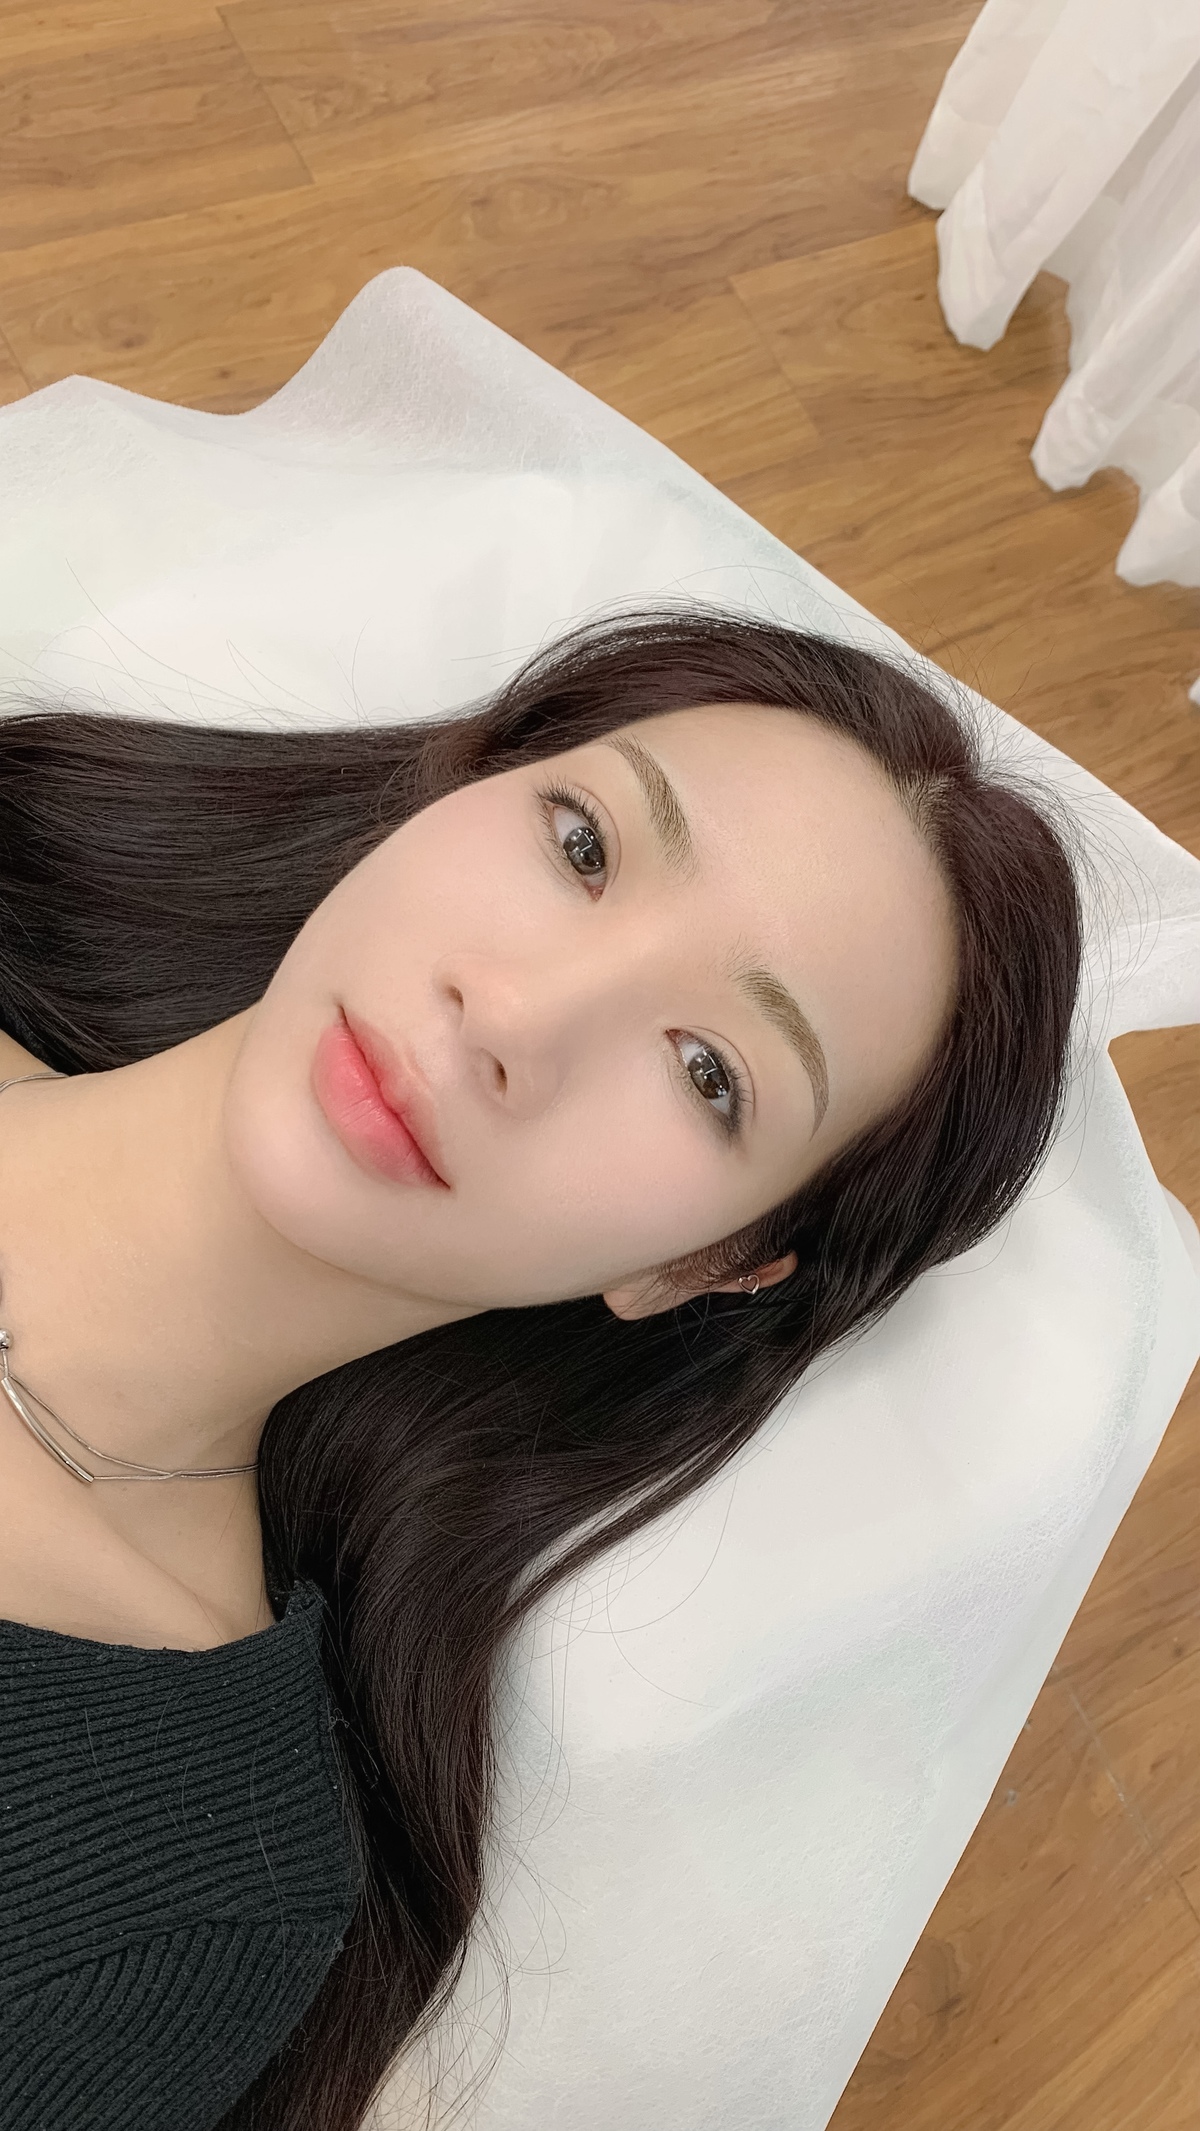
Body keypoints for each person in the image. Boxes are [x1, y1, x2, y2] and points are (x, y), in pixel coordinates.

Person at [0, 610, 1081, 2131]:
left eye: (709, 1074)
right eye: (583, 846)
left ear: (707, 1266)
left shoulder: (178, 1876)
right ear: (461, 785)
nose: (513, 1018)